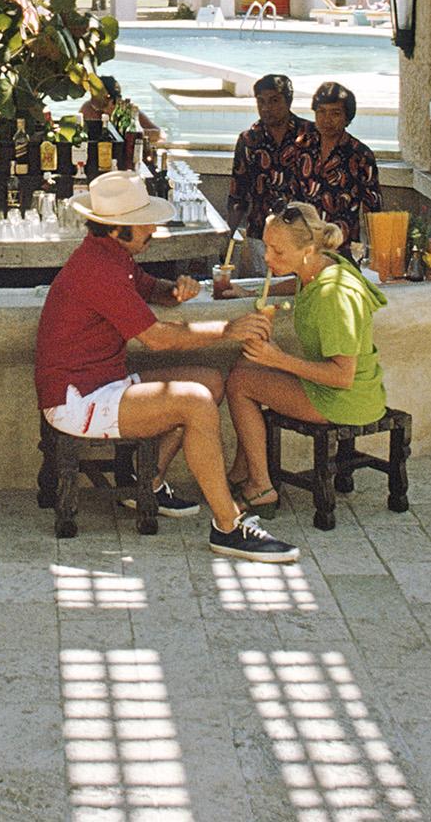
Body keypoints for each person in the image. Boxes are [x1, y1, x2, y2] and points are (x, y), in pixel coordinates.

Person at [34, 170, 300, 564]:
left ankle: (150, 482)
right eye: (144, 222)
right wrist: (228, 329)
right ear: (117, 228)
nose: (153, 229)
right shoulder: (98, 269)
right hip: (76, 401)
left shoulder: (111, 255)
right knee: (195, 401)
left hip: (102, 385)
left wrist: (174, 290)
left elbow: (147, 287)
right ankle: (228, 526)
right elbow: (157, 339)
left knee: (210, 381)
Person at [222, 202, 390, 513]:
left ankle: (260, 487)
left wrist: (277, 359)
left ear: (308, 250)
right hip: (340, 390)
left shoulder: (333, 295)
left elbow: (342, 376)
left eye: (278, 251)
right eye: (266, 248)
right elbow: (299, 282)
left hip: (346, 398)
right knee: (245, 365)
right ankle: (243, 471)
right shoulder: (320, 266)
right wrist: (251, 293)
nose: (267, 258)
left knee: (240, 384)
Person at [284, 79, 383, 244]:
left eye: (335, 113)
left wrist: (374, 249)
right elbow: (290, 196)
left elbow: (373, 210)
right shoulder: (301, 147)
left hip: (342, 245)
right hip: (304, 243)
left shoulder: (361, 155)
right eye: (321, 112)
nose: (326, 119)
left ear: (347, 117)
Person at [224, 73, 305, 245]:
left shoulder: (309, 136)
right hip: (260, 234)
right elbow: (238, 193)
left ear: (288, 101)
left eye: (274, 101)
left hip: (301, 236)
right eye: (261, 101)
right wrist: (227, 238)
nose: (266, 108)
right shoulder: (248, 140)